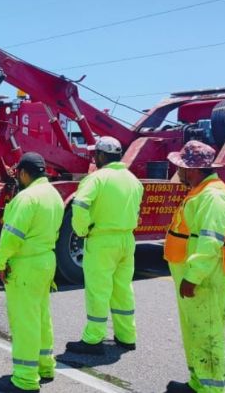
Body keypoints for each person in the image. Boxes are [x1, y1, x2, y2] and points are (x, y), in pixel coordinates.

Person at [163, 140, 225, 393]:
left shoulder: (213, 196)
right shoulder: (201, 191)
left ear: (192, 169)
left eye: (181, 168)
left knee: (207, 334)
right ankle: (198, 382)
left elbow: (210, 243)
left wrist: (193, 277)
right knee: (194, 331)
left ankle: (213, 389)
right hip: (196, 276)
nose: (179, 172)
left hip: (204, 279)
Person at [65, 136, 143, 355]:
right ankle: (126, 336)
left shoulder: (96, 179)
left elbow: (79, 205)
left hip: (102, 240)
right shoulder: (132, 179)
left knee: (98, 290)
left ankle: (93, 339)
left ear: (100, 155)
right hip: (127, 240)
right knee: (123, 289)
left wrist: (82, 230)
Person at [0, 152, 64, 392]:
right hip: (46, 261)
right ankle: (45, 366)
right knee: (42, 316)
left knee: (25, 320)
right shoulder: (54, 195)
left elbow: (11, 236)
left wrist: (0, 262)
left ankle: (25, 379)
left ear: (24, 173)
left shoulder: (27, 198)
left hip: (26, 264)